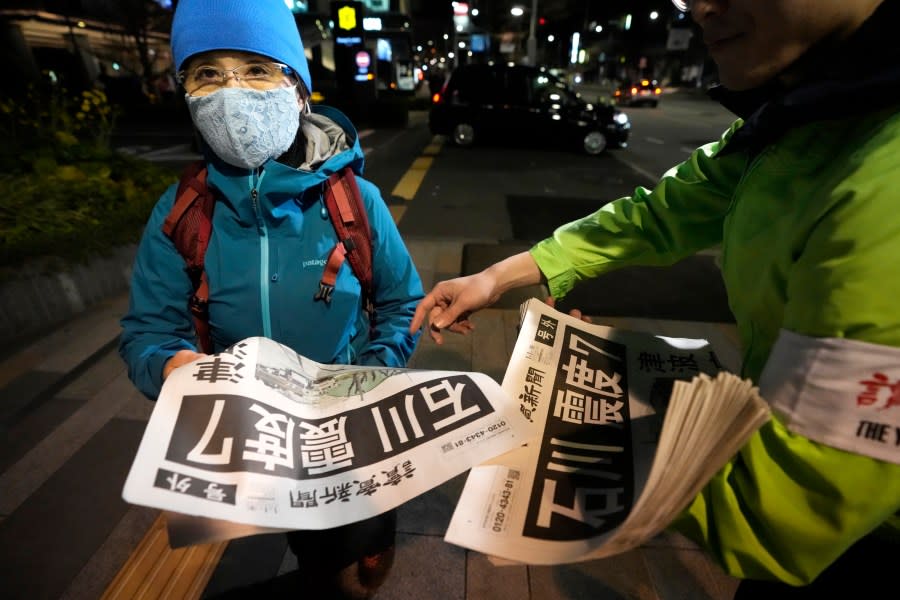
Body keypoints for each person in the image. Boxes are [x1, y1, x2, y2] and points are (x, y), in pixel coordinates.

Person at [411, 0, 900, 595]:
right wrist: (499, 277)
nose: (698, 7)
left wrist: (569, 409)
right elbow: (657, 214)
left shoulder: (883, 177)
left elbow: (775, 514)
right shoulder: (812, 107)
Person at [118, 0, 423, 597]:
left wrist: (371, 379)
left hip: (346, 432)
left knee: (352, 569)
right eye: (207, 73)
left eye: (257, 69)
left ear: (299, 89)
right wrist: (175, 371)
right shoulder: (181, 210)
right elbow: (146, 334)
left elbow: (401, 303)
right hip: (252, 443)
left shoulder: (354, 200)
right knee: (304, 552)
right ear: (186, 94)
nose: (231, 92)